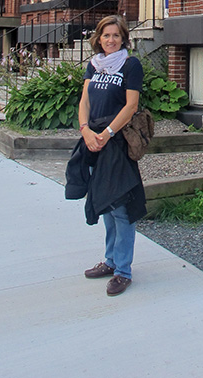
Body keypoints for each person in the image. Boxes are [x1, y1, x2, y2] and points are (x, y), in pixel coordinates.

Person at [65, 15, 146, 296]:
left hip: (116, 142)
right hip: (93, 140)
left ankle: (123, 271)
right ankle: (110, 261)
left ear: (123, 39)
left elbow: (131, 106)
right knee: (105, 205)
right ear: (98, 39)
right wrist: (85, 130)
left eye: (116, 35)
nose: (111, 40)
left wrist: (108, 133)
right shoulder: (94, 65)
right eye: (106, 35)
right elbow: (85, 101)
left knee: (121, 207)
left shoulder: (130, 65)